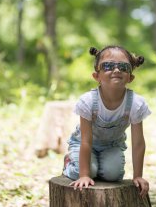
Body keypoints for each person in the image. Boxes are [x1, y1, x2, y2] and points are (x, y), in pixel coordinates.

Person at [62, 45, 151, 197]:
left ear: (130, 77)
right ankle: (70, 162)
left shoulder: (136, 104)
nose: (116, 70)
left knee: (113, 175)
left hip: (112, 146)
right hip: (84, 144)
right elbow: (85, 141)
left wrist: (138, 175)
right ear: (97, 76)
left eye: (123, 67)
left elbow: (138, 143)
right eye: (108, 66)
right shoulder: (88, 101)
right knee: (87, 172)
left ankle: (97, 165)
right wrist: (84, 175)